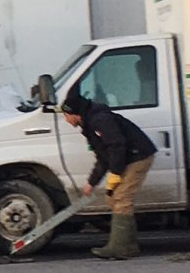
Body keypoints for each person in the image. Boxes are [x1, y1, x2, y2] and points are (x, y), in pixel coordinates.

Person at [60, 87, 156, 259]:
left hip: (138, 156)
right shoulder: (89, 124)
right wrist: (92, 182)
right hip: (128, 157)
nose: (66, 120)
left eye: (66, 116)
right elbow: (103, 156)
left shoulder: (100, 119)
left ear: (75, 114)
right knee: (113, 199)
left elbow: (117, 146)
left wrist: (115, 173)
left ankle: (120, 248)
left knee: (121, 198)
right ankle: (129, 245)